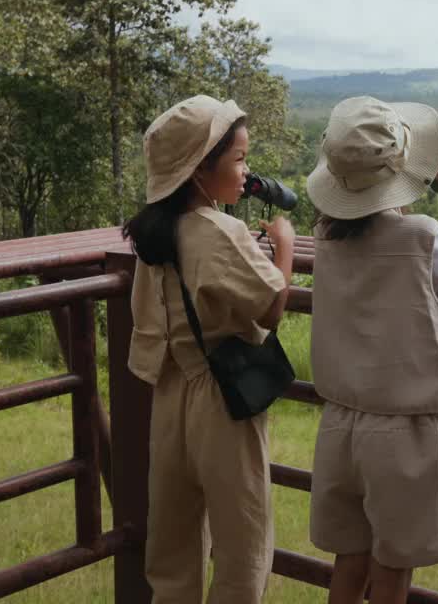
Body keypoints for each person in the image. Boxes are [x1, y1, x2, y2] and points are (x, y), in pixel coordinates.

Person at [305, 95, 438, 604]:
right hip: (402, 431)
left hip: (339, 421)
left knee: (349, 561)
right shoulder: (423, 237)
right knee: (393, 569)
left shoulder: (326, 237)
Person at [122, 94, 295, 604]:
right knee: (243, 547)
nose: (246, 171)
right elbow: (271, 307)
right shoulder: (221, 230)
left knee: (173, 553)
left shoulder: (154, 232)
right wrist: (285, 245)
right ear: (200, 171)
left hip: (170, 392)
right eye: (239, 159)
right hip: (222, 401)